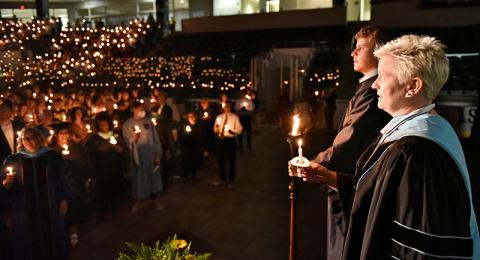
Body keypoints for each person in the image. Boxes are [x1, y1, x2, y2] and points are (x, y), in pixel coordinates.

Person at [299, 35, 480, 259]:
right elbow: (381, 197)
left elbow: (418, 248)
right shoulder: (426, 127)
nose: (375, 83)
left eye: (383, 76)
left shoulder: (418, 151)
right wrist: (329, 177)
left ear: (412, 86)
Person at [303, 25, 392, 260]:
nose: (353, 53)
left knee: (344, 246)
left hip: (352, 182)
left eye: (360, 48)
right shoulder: (366, 86)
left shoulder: (373, 93)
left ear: (379, 53)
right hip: (349, 178)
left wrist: (312, 163)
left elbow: (350, 140)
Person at [0, 127, 70, 260]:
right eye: (24, 138)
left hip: (50, 207)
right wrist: (6, 183)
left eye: (31, 137)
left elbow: (63, 179)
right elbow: (4, 185)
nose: (28, 141)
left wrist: (64, 199)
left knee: (52, 241)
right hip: (24, 210)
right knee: (27, 243)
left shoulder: (52, 156)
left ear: (38, 138)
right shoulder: (13, 160)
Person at [123, 102, 164, 213]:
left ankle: (155, 200)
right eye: (139, 108)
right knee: (140, 180)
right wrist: (134, 139)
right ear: (133, 109)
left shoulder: (148, 122)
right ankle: (139, 201)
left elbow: (155, 139)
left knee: (153, 178)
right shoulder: (127, 124)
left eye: (143, 108)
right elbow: (128, 141)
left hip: (150, 155)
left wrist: (157, 154)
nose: (142, 111)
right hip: (138, 156)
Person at [86, 112, 126, 219]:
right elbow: (92, 153)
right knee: (101, 193)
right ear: (98, 126)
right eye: (101, 125)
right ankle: (101, 213)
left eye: (105, 124)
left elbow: (123, 150)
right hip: (101, 170)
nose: (104, 127)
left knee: (114, 191)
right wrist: (108, 145)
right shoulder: (94, 139)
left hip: (114, 168)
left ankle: (114, 211)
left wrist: (119, 149)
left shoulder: (115, 135)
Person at [213, 102, 242, 188]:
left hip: (230, 140)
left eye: (228, 107)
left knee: (231, 160)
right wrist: (217, 129)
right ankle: (222, 179)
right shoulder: (219, 117)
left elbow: (239, 128)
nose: (227, 108)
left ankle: (231, 180)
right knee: (221, 160)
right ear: (223, 108)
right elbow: (215, 128)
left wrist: (233, 132)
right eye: (226, 107)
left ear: (231, 108)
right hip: (221, 140)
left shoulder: (234, 117)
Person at [178, 112, 203, 181]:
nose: (191, 118)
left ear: (195, 117)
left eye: (193, 116)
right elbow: (180, 136)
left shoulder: (198, 126)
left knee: (193, 161)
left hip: (194, 147)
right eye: (190, 117)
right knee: (185, 161)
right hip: (186, 147)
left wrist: (191, 134)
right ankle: (185, 176)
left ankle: (193, 176)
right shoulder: (185, 126)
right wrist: (186, 135)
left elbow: (200, 136)